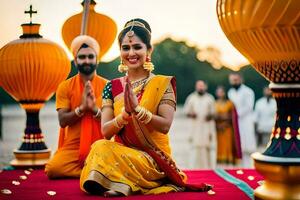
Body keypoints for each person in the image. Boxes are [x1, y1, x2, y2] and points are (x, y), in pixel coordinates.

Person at [80, 18, 211, 196]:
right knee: (99, 146)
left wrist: (138, 110)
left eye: (137, 47)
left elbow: (165, 126)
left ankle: (121, 184)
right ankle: (122, 185)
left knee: (109, 155)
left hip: (153, 160)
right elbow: (106, 131)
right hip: (122, 154)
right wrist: (125, 115)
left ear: (149, 50)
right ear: (120, 52)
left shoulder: (162, 83)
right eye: (125, 47)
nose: (131, 53)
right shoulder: (112, 86)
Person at [45, 35, 107, 179]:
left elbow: (115, 122)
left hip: (102, 145)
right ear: (75, 60)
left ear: (97, 59)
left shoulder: (108, 86)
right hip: (73, 147)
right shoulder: (65, 86)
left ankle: (92, 171)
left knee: (113, 162)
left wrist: (94, 110)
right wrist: (82, 108)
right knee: (53, 169)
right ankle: (92, 173)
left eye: (91, 56)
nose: (86, 61)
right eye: (82, 57)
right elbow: (63, 121)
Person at [183, 80, 217, 169]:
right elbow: (186, 111)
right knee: (194, 149)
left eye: (202, 86)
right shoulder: (191, 98)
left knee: (207, 149)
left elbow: (214, 113)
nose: (200, 88)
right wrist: (191, 114)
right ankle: (194, 169)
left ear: (206, 87)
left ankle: (207, 170)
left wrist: (210, 115)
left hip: (207, 128)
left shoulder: (210, 98)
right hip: (195, 128)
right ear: (196, 86)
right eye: (199, 86)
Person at [228, 72, 256, 167]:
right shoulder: (230, 92)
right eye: (232, 80)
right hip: (235, 123)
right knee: (237, 146)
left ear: (241, 80)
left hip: (246, 121)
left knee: (247, 147)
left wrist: (237, 114)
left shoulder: (248, 92)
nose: (234, 82)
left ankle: (249, 168)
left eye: (236, 80)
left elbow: (249, 107)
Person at [214, 86, 242, 167]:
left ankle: (229, 165)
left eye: (221, 92)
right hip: (218, 130)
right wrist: (218, 124)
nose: (220, 94)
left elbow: (233, 116)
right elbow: (214, 116)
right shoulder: (214, 103)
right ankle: (220, 166)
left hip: (227, 129)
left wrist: (224, 121)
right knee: (219, 147)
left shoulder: (230, 103)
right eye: (218, 92)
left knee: (228, 146)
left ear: (224, 93)